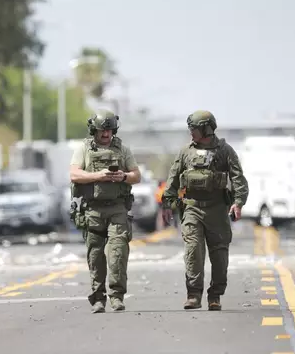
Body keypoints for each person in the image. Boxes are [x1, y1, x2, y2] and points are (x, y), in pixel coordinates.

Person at [161, 110, 249, 311]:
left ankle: (215, 295)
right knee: (193, 251)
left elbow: (238, 178)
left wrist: (238, 202)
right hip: (192, 208)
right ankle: (193, 295)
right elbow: (173, 178)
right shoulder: (185, 152)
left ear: (206, 129)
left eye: (194, 129)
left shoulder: (224, 151)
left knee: (219, 256)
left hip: (217, 210)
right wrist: (168, 203)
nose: (191, 132)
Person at [69, 109, 141, 313]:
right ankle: (98, 298)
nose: (106, 135)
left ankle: (116, 296)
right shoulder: (83, 149)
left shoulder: (123, 149)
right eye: (102, 131)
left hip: (118, 208)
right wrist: (98, 176)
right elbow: (74, 174)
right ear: (94, 130)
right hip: (92, 209)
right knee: (95, 256)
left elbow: (137, 175)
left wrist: (124, 177)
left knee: (118, 252)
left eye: (110, 131)